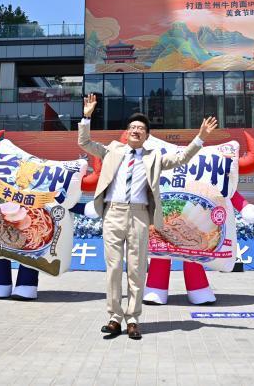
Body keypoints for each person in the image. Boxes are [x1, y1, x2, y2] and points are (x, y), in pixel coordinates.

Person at [78, 93, 217, 339]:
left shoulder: (153, 157)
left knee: (136, 269)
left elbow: (181, 158)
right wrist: (87, 116)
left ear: (147, 135)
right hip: (113, 213)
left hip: (140, 216)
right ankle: (114, 317)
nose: (136, 130)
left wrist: (200, 138)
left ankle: (132, 318)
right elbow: (85, 143)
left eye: (141, 128)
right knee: (112, 268)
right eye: (132, 127)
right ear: (127, 132)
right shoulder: (112, 150)